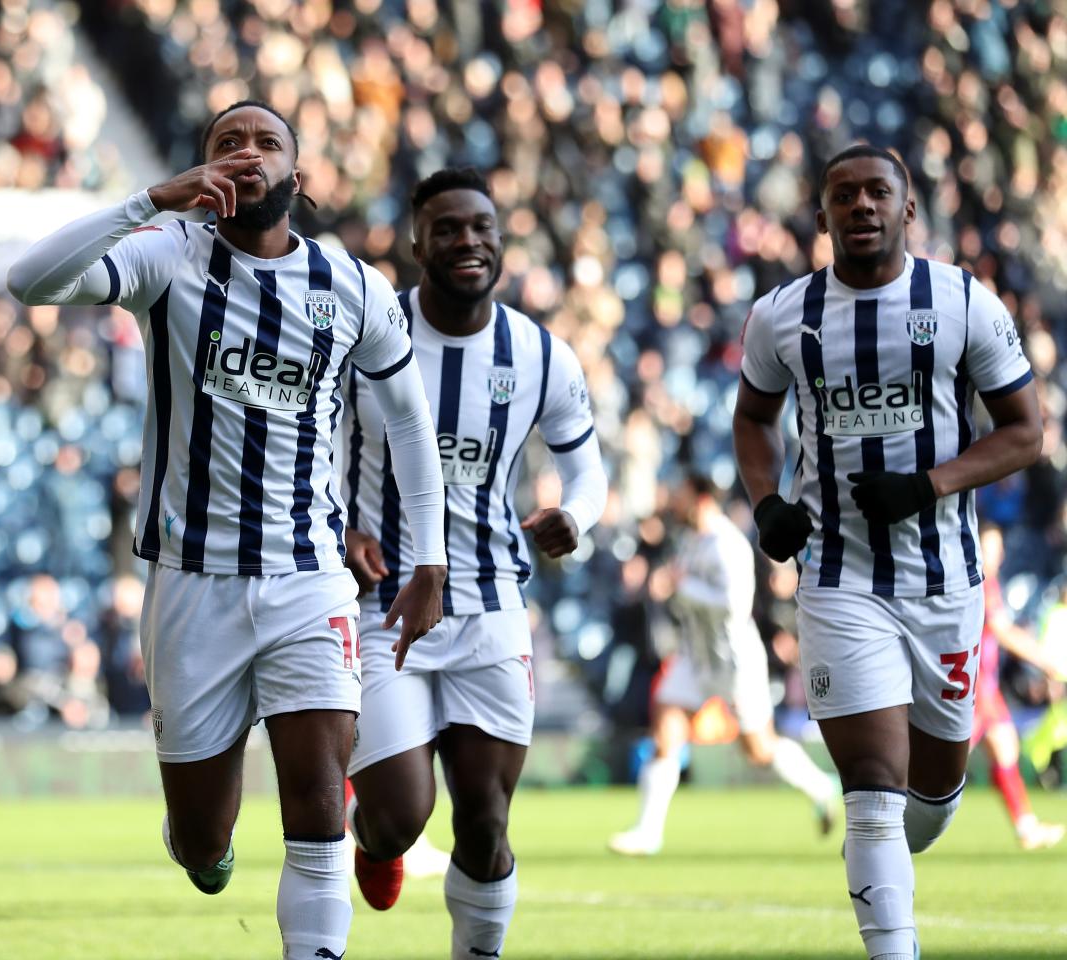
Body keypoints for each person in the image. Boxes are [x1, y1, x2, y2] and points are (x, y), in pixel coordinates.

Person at [7, 100, 448, 960]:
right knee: (204, 842)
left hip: (307, 576)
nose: (247, 153)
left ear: (298, 175)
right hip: (190, 586)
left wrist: (427, 554)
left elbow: (406, 420)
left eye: (266, 142)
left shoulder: (350, 286)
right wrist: (147, 200)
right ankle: (199, 843)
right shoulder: (168, 257)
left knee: (318, 802)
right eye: (226, 142)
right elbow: (32, 281)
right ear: (206, 170)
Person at [733, 144, 1041, 960]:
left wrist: (931, 484)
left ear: (908, 209)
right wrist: (767, 502)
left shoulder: (965, 301)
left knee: (930, 798)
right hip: (839, 579)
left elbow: (1026, 432)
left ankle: (901, 848)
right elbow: (751, 420)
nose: (861, 205)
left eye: (878, 193)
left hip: (945, 582)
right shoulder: (781, 316)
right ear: (823, 213)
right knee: (872, 794)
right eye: (844, 195)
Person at [340, 167, 607, 959]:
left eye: (482, 228)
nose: (469, 242)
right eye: (449, 228)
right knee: (400, 816)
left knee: (487, 820)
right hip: (383, 603)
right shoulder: (370, 334)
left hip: (491, 609)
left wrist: (577, 516)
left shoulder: (537, 352)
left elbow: (586, 467)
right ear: (417, 240)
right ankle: (374, 841)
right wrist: (344, 522)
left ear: (501, 240)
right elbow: (318, 443)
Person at [608, 473, 838, 857]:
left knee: (759, 749)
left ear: (700, 499)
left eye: (681, 495)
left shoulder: (728, 544)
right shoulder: (689, 543)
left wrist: (681, 588)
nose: (674, 504)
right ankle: (648, 831)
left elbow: (734, 605)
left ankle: (820, 787)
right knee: (666, 726)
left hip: (734, 660)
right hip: (695, 655)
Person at [972, 524, 1064, 849]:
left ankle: (1026, 826)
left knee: (1005, 744)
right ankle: (885, 822)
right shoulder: (977, 583)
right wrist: (1046, 660)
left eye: (998, 550)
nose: (995, 557)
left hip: (982, 688)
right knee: (937, 772)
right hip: (968, 688)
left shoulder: (988, 581)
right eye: (988, 549)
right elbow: (1003, 631)